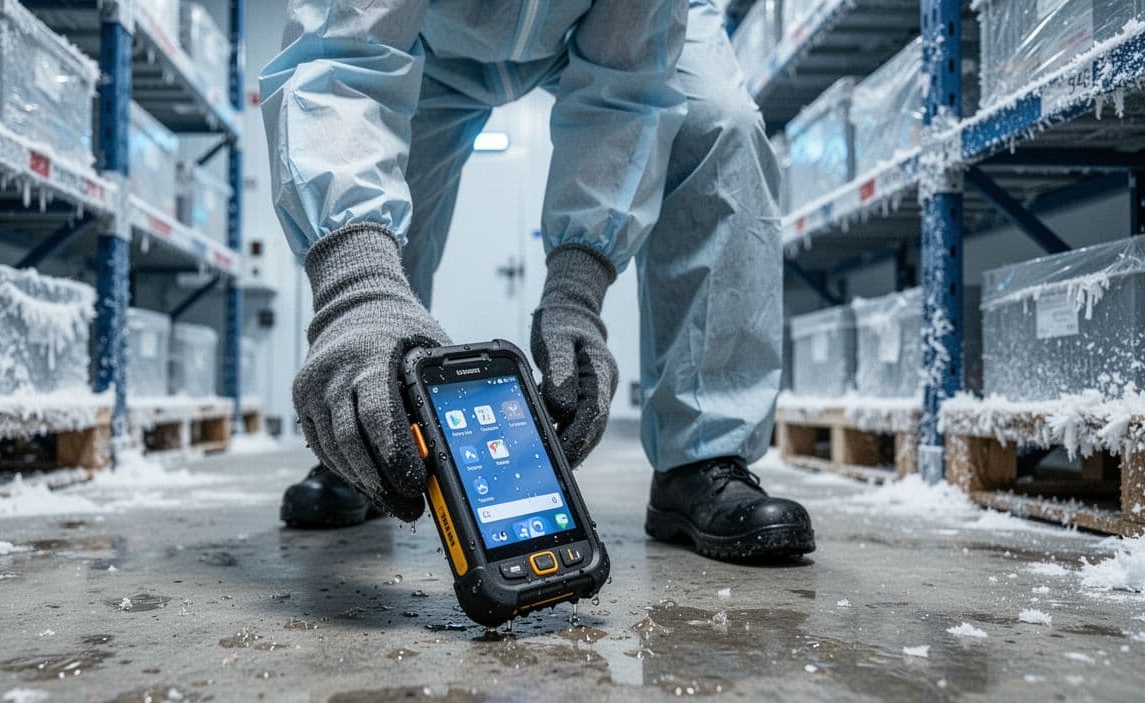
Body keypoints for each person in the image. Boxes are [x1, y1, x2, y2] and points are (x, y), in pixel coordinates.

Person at [260, 0, 814, 561]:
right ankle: (377, 440)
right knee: (380, 233)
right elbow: (339, 60)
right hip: (425, 31)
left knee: (718, 126)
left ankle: (701, 454)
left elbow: (629, 86)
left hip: (608, 29)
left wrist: (578, 286)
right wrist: (357, 286)